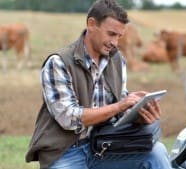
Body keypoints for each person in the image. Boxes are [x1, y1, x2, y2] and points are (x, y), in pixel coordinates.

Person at [25, 0, 172, 168]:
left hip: (104, 146)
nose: (115, 42)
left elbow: (119, 109)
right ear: (91, 24)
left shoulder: (117, 60)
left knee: (156, 153)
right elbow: (68, 118)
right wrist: (119, 106)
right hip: (65, 152)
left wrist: (138, 115)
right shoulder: (59, 62)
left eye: (119, 36)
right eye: (111, 34)